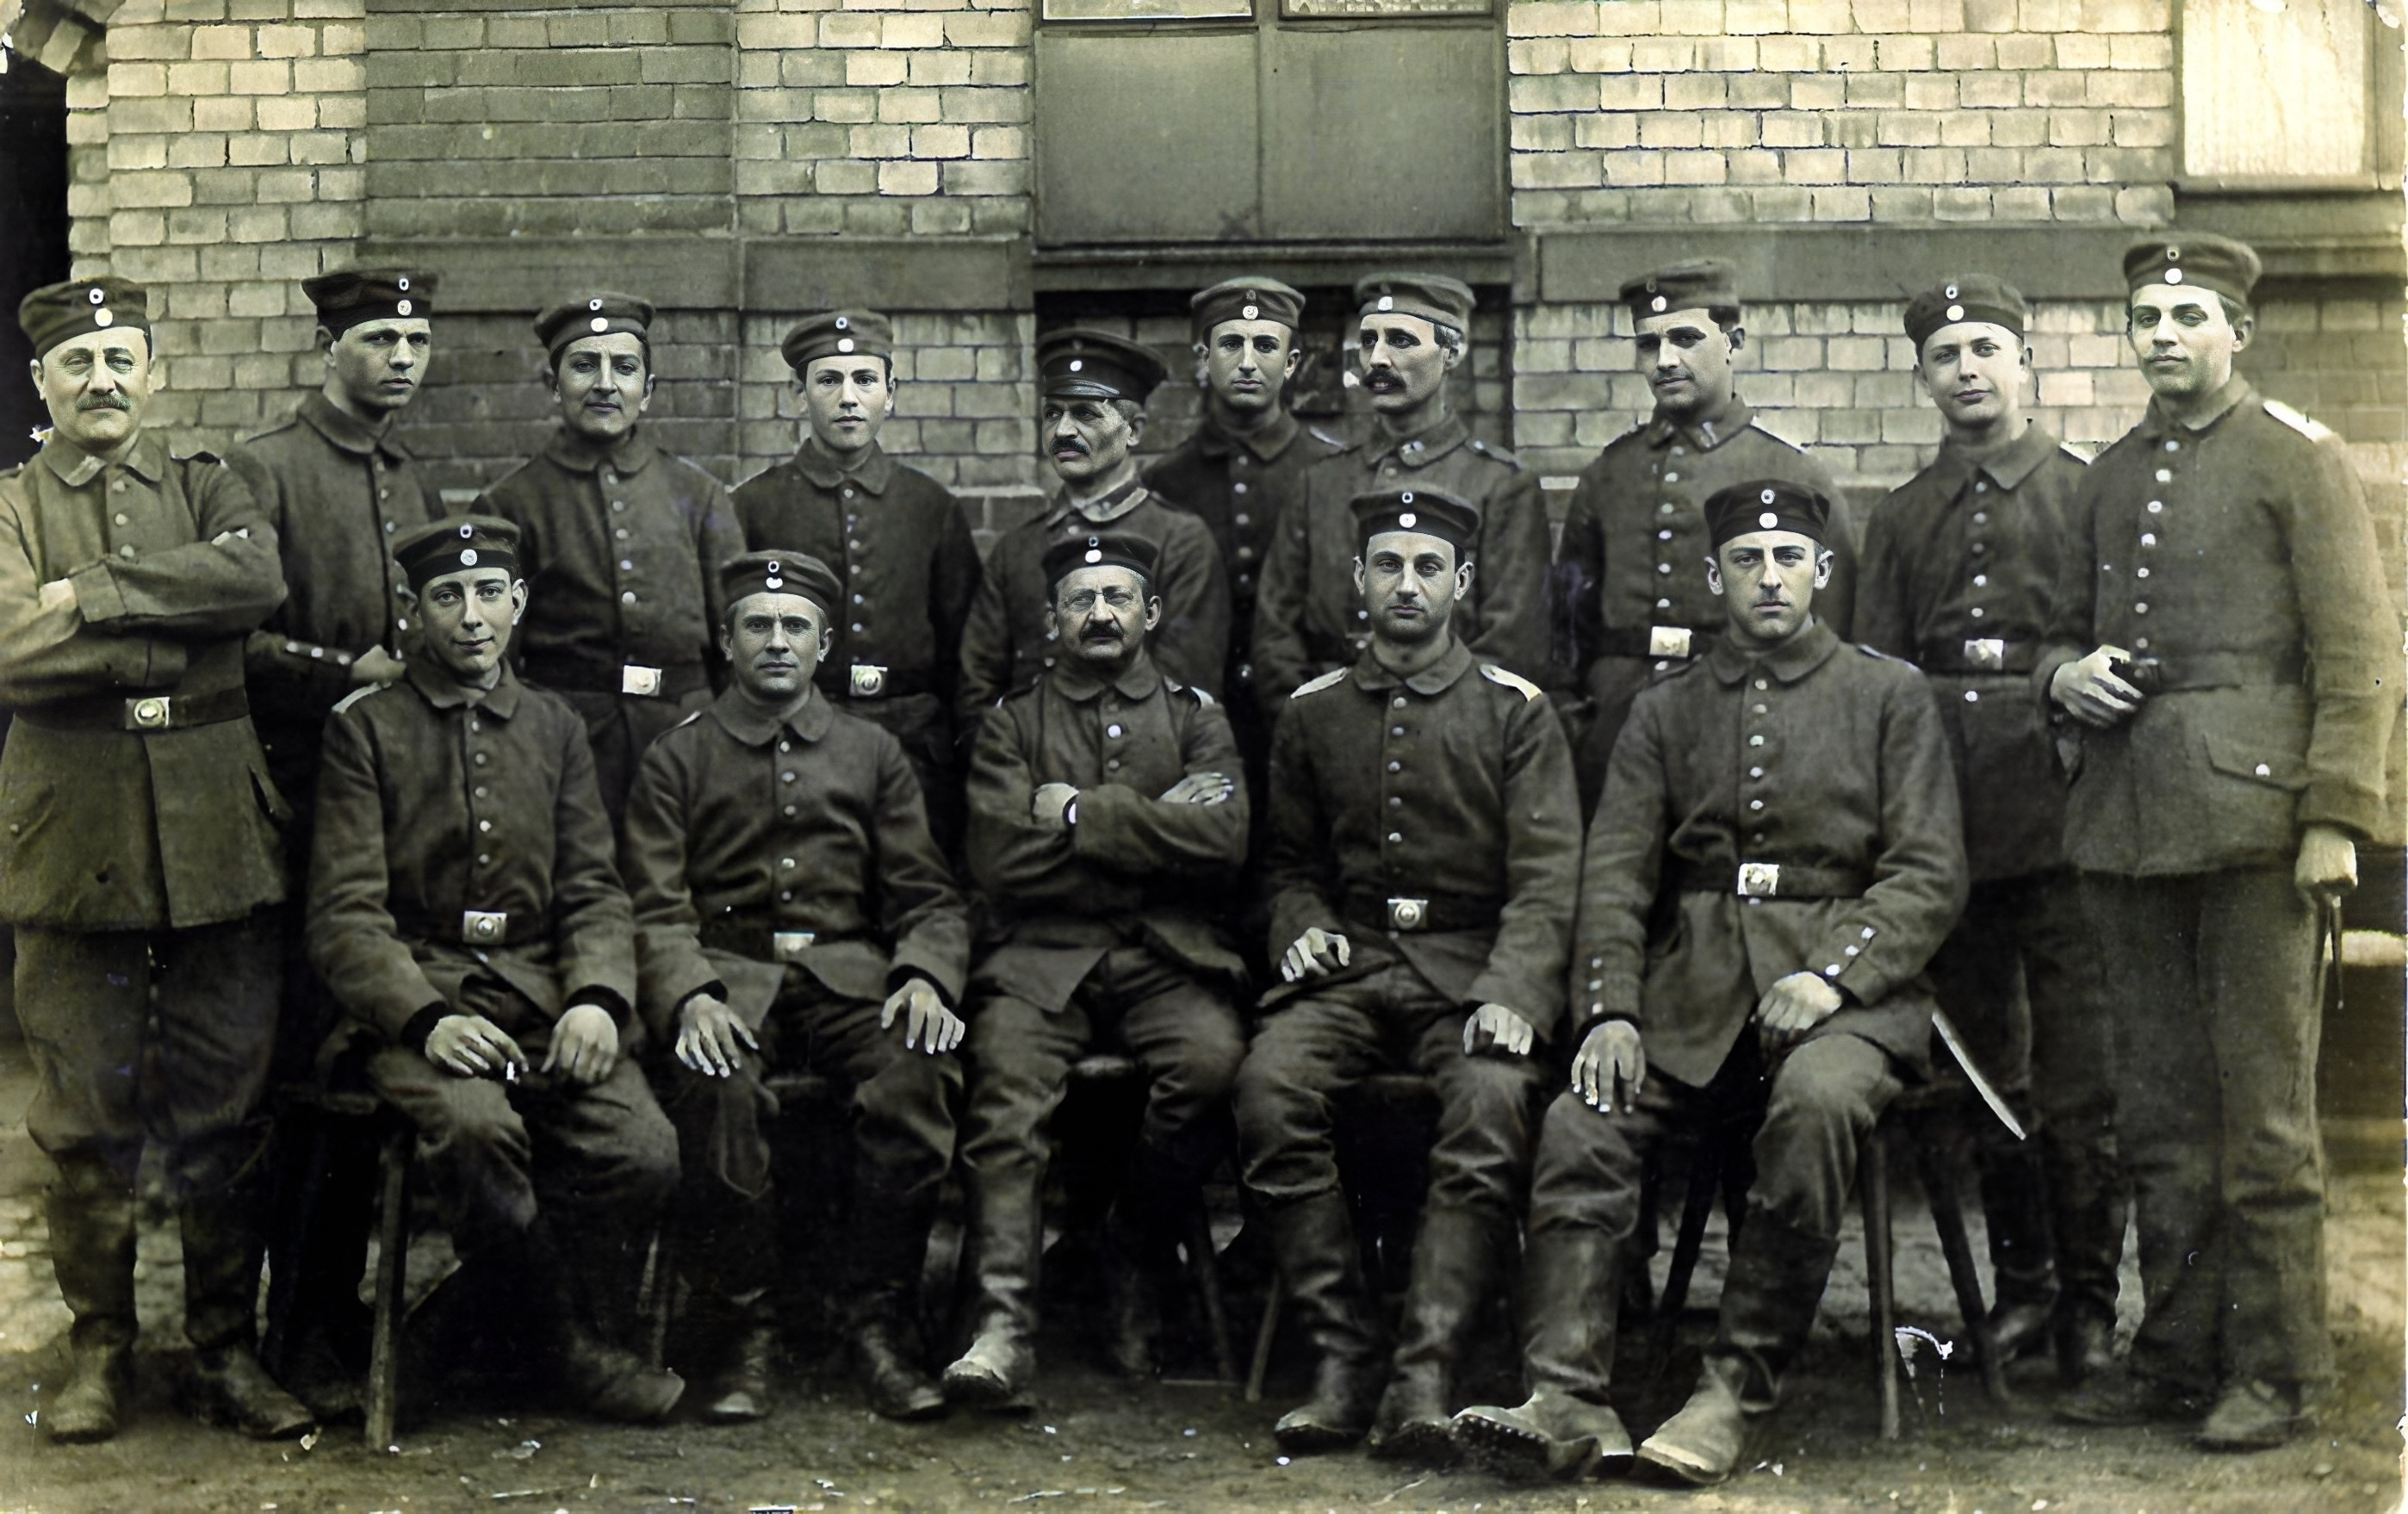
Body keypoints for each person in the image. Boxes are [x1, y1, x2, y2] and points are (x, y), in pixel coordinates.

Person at [1452, 479, 1966, 1486]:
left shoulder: (1888, 695)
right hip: (1691, 990)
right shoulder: (1665, 707)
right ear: (1713, 576)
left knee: (1816, 1106)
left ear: (1822, 571)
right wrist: (1609, 1010)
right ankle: (1566, 1393)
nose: (1768, 578)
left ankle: (1734, 1389)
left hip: (1849, 997)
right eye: (1746, 561)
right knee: (1584, 1116)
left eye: (1788, 559)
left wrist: (1834, 974)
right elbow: (1616, 875)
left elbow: (1928, 871)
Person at [2039, 234, 2396, 1449]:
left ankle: (2281, 1366)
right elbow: (2061, 629)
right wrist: (2061, 674)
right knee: (2159, 1114)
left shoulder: (2298, 457)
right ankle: (2178, 1355)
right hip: (2129, 827)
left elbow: (2360, 651)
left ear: (2238, 332)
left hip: (2257, 828)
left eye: (2188, 315)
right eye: (2146, 316)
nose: (2163, 335)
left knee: (2266, 1116)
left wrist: (2335, 817)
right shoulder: (2107, 476)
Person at [0, 276, 311, 1443]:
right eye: (77, 363)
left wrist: (93, 595)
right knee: (85, 1116)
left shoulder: (210, 481)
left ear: (152, 370)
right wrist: (177, 637)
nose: (102, 381)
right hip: (73, 828)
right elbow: (10, 650)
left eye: (120, 357)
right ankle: (101, 1351)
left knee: (227, 1103)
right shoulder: (10, 503)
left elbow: (256, 580)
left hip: (216, 827)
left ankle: (227, 1347)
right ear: (41, 381)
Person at [307, 516, 684, 1424]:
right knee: (476, 1133)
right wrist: (425, 1018)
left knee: (643, 1151)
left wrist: (597, 998)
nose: (470, 617)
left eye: (488, 594)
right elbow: (345, 914)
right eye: (447, 596)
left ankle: (458, 1335)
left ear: (518, 602)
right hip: (421, 1004)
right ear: (414, 611)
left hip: (544, 995)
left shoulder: (555, 725)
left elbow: (593, 888)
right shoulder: (366, 729)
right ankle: (568, 1353)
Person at [1236, 487, 1580, 1461]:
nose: (1407, 585)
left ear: (1463, 583)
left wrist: (1514, 992)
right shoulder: (1313, 713)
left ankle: (1425, 1372)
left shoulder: (1514, 712)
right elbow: (1287, 865)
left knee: (1490, 1101)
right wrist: (1300, 925)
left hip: (1469, 969)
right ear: (1358, 579)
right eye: (1388, 564)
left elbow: (1548, 877)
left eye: (1430, 567)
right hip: (1352, 967)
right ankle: (1343, 1359)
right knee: (1267, 1091)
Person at [625, 549, 970, 1424]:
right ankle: (744, 1328)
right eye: (758, 626)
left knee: (916, 1075)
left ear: (824, 644)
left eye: (794, 627)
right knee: (717, 1083)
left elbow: (927, 896)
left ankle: (877, 1321)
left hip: (848, 976)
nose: (776, 642)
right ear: (726, 641)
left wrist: (924, 977)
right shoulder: (679, 755)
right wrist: (690, 995)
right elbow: (654, 906)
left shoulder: (872, 752)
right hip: (729, 977)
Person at [1856, 275, 2123, 1388]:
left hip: (2064, 819)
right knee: (1983, 1072)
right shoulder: (1901, 515)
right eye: (1945, 355)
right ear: (1923, 377)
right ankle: (2021, 1290)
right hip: (1948, 827)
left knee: (2080, 1076)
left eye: (1986, 349)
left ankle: (2090, 1308)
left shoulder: (2087, 493)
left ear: (2026, 364)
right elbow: (1877, 681)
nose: (1966, 370)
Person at [946, 530, 1251, 1409]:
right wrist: (1160, 824)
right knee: (1005, 1090)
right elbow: (1003, 861)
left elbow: (1224, 843)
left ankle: (1126, 1248)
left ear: (1152, 613)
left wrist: (1080, 813)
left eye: (1119, 597)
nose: (1101, 614)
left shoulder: (1196, 716)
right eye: (1081, 600)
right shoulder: (1012, 723)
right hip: (1042, 958)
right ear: (1052, 620)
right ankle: (1003, 1326)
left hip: (1166, 953)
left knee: (1213, 1068)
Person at [227, 263, 442, 1409]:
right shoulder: (264, 467)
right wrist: (337, 672)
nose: (400, 359)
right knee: (308, 1069)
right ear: (328, 349)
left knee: (368, 1051)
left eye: (414, 341)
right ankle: (293, 1329)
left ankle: (338, 1312)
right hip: (303, 801)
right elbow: (237, 640)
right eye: (377, 340)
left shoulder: (408, 472)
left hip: (391, 802)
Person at [1557, 259, 1858, 806]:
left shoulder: (1792, 472)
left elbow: (1838, 628)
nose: (1665, 360)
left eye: (1685, 338)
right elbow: (1567, 620)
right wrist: (1578, 721)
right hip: (1615, 727)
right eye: (1648, 345)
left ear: (1732, 341)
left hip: (1743, 723)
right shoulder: (1609, 473)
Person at [478, 292, 747, 820]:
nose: (605, 383)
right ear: (553, 385)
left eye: (624, 368)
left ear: (647, 391)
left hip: (685, 739)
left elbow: (736, 639)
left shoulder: (698, 494)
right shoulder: (511, 504)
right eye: (584, 366)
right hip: (567, 744)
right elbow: (497, 661)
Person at [733, 312, 981, 847]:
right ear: (799, 394)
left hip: (915, 747)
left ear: (890, 395)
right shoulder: (753, 506)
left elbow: (965, 651)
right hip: (794, 738)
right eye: (829, 380)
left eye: (865, 380)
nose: (848, 398)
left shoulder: (931, 506)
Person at [1252, 276, 1551, 707]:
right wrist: (1309, 718)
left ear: (1450, 354)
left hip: (1454, 724)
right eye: (1368, 341)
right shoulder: (1320, 482)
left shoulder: (1500, 484)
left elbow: (1512, 644)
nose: (1377, 359)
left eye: (1401, 340)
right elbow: (1275, 630)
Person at [958, 330, 1230, 728]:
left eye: (1085, 414)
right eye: (1053, 414)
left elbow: (1186, 695)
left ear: (1133, 430)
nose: (1063, 432)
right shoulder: (1017, 550)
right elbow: (977, 692)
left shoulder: (1181, 542)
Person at [1143, 277, 1346, 775]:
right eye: (1231, 344)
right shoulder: (1166, 480)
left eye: (1266, 346)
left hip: (1304, 705)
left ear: (1291, 363)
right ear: (1203, 358)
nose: (1248, 362)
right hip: (1197, 710)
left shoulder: (1331, 473)